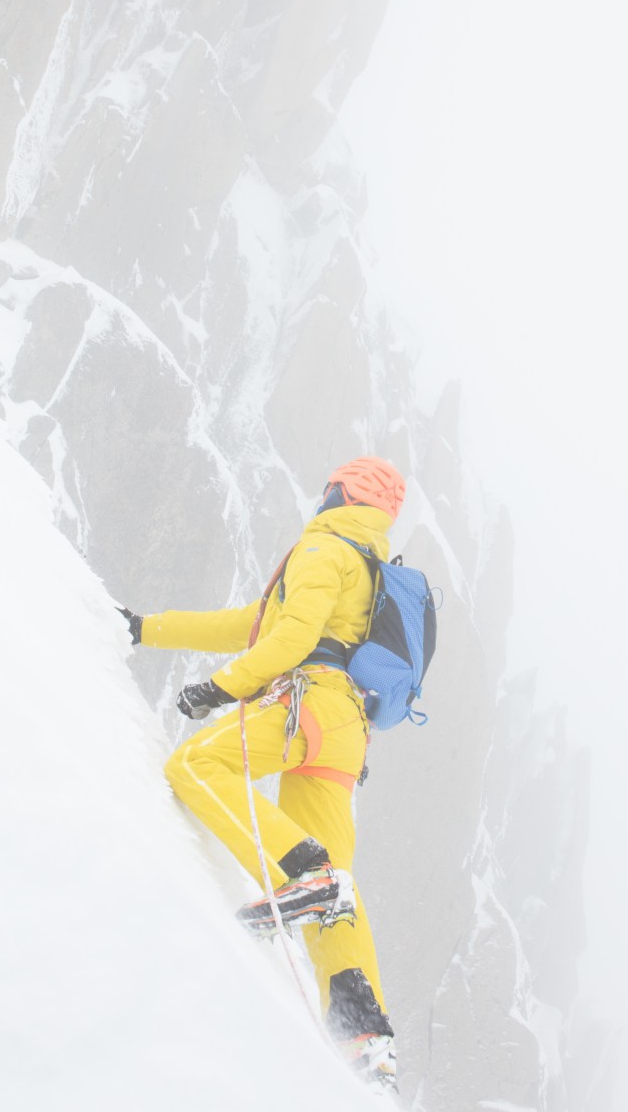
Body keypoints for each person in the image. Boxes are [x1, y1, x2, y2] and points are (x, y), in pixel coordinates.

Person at [120, 456, 406, 1091]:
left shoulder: (324, 548)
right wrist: (147, 629)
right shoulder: (366, 563)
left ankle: (306, 873)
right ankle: (368, 1040)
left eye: (328, 486)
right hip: (346, 733)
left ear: (341, 491)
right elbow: (248, 625)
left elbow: (290, 638)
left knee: (195, 763)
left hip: (306, 702)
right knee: (338, 886)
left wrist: (220, 690)